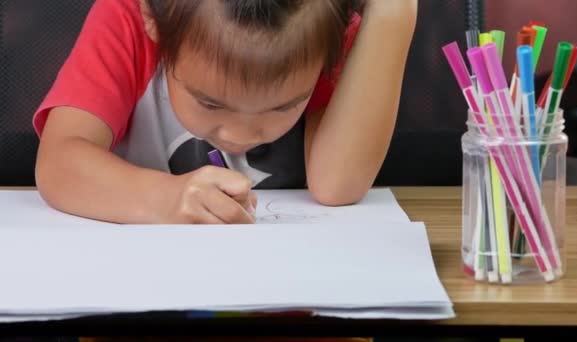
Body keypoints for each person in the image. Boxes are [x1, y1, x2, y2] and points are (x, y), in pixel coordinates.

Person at [33, 0, 417, 225]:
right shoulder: (129, 18)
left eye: (283, 105)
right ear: (153, 18)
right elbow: (60, 163)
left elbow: (337, 187)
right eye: (210, 101)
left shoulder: (324, 30)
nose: (238, 135)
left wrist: (393, 13)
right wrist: (167, 199)